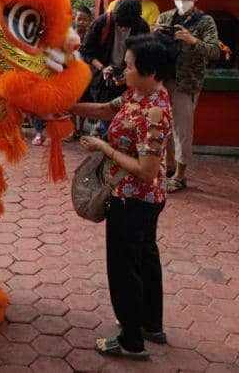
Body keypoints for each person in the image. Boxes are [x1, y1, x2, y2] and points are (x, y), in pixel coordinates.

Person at [72, 34, 174, 361]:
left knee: (125, 269)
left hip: (135, 200)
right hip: (140, 201)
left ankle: (130, 340)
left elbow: (146, 169)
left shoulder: (155, 111)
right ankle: (150, 324)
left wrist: (104, 148)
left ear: (152, 71)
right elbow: (104, 109)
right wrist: (64, 107)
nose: (124, 71)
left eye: (130, 67)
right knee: (145, 260)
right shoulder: (136, 95)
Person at [154, 0, 221, 192]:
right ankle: (170, 165)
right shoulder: (165, 17)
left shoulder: (205, 21)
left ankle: (181, 175)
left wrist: (193, 41)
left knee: (182, 129)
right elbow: (151, 48)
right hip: (163, 80)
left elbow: (215, 51)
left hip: (187, 83)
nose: (182, 2)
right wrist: (154, 37)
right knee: (163, 126)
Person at [83, 0, 151, 103]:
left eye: (127, 26)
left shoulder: (142, 28)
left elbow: (144, 57)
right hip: (102, 80)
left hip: (128, 83)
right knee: (104, 112)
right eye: (120, 25)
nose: (123, 29)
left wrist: (129, 74)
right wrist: (102, 68)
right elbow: (86, 51)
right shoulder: (102, 23)